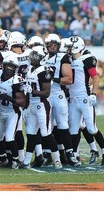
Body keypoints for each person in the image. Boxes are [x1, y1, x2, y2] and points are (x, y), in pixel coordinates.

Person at [68, 37, 104, 166]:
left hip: (84, 98)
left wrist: (93, 93)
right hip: (73, 99)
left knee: (92, 129)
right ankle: (75, 155)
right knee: (74, 130)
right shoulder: (68, 59)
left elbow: (95, 77)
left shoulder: (86, 59)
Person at [22, 46, 63, 169]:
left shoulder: (44, 70)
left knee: (45, 133)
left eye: (35, 55)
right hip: (32, 105)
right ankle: (26, 161)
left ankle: (57, 160)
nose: (32, 58)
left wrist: (32, 91)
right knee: (30, 134)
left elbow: (46, 93)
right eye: (32, 55)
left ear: (41, 57)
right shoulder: (30, 69)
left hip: (42, 105)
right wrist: (26, 106)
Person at [44, 33, 80, 166]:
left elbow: (69, 79)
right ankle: (47, 153)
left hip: (57, 94)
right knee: (46, 126)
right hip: (45, 95)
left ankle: (70, 154)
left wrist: (53, 79)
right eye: (50, 45)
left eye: (55, 45)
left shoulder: (62, 57)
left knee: (63, 125)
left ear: (58, 46)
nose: (52, 47)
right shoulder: (43, 57)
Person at [0, 55, 27, 169]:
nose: (9, 68)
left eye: (12, 66)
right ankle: (3, 158)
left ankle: (16, 160)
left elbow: (23, 102)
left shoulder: (16, 80)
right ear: (3, 65)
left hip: (12, 112)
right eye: (8, 65)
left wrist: (9, 98)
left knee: (9, 137)